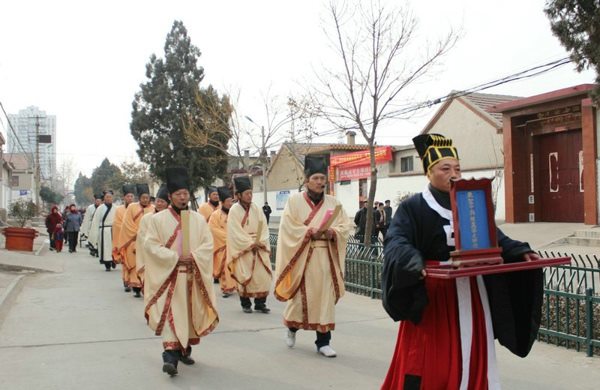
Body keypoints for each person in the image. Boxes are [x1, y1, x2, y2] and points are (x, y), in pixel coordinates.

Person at [381, 133, 543, 389]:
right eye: (445, 168)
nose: (453, 174)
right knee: (431, 358)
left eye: (457, 168)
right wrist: (413, 261)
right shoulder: (413, 207)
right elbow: (396, 240)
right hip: (436, 292)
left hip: (473, 290)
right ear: (429, 172)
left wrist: (520, 251)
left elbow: (495, 237)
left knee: (475, 347)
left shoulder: (471, 200)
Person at [143, 167, 219, 377]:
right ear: (170, 197)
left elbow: (207, 244)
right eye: (178, 194)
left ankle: (184, 350)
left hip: (193, 276)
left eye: (185, 193)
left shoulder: (198, 219)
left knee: (188, 314)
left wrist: (193, 257)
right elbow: (150, 246)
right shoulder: (157, 221)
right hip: (169, 277)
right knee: (170, 315)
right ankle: (170, 357)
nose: (183, 197)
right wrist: (174, 258)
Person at [274, 155, 353, 358]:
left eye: (322, 178)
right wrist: (309, 232)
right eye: (316, 178)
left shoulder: (334, 203)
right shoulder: (294, 201)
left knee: (325, 298)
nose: (320, 182)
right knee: (301, 299)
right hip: (303, 258)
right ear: (307, 179)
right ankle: (292, 328)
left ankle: (323, 342)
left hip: (326, 257)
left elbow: (346, 226)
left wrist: (331, 232)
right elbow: (288, 228)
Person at [227, 176, 272, 314]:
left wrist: (260, 241)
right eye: (247, 193)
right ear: (238, 195)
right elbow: (234, 231)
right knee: (244, 275)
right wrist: (250, 243)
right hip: (244, 248)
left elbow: (264, 226)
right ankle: (246, 303)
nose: (250, 196)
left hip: (259, 246)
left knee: (262, 276)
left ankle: (260, 303)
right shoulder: (234, 210)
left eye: (251, 193)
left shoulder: (256, 208)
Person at [118, 183, 155, 298]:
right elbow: (127, 224)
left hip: (148, 241)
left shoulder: (153, 209)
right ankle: (136, 287)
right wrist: (138, 234)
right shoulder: (132, 207)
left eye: (147, 198)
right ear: (139, 198)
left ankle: (146, 286)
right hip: (133, 240)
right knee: (134, 264)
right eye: (143, 197)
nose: (145, 200)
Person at [136, 184, 170, 287]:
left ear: (168, 204)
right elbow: (142, 238)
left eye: (162, 201)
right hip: (150, 255)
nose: (159, 204)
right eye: (157, 201)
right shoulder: (147, 218)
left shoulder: (171, 218)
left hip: (167, 256)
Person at [208, 186, 237, 298]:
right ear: (222, 202)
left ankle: (237, 285)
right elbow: (213, 229)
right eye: (228, 201)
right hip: (222, 245)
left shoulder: (235, 213)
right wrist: (228, 238)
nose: (230, 203)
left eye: (232, 201)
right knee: (225, 266)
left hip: (235, 244)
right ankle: (226, 287)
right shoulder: (215, 215)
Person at [113, 184, 136, 291]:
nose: (130, 198)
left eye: (131, 196)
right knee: (125, 261)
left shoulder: (136, 209)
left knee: (135, 262)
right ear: (124, 198)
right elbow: (117, 224)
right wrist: (126, 228)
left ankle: (135, 282)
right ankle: (126, 280)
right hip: (124, 239)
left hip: (134, 239)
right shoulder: (119, 210)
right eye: (128, 196)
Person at [89, 190, 118, 271]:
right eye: (107, 197)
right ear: (104, 198)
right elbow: (95, 222)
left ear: (112, 198)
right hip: (103, 231)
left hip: (113, 230)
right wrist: (94, 234)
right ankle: (107, 264)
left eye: (110, 197)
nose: (109, 199)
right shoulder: (100, 208)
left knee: (113, 247)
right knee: (105, 248)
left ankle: (113, 261)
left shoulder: (116, 208)